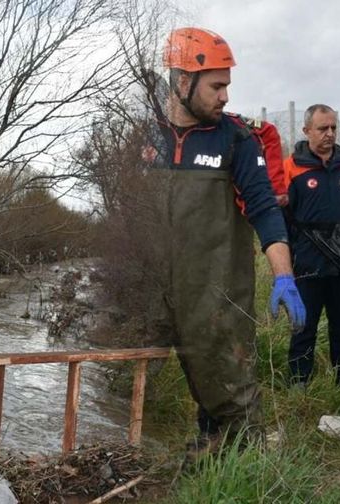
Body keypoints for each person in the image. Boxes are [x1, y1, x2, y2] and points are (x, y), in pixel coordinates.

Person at [143, 27, 306, 455]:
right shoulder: (146, 136)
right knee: (137, 376)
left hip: (217, 291)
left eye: (227, 86)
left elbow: (265, 209)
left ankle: (243, 466)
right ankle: (150, 457)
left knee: (229, 384)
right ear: (183, 82)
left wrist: (284, 276)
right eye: (216, 86)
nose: (225, 96)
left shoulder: (236, 139)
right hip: (156, 287)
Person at [283, 104, 340, 386]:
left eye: (333, 127)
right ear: (307, 131)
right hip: (306, 264)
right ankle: (299, 385)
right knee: (303, 327)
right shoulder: (291, 168)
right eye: (322, 128)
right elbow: (281, 219)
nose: (329, 133)